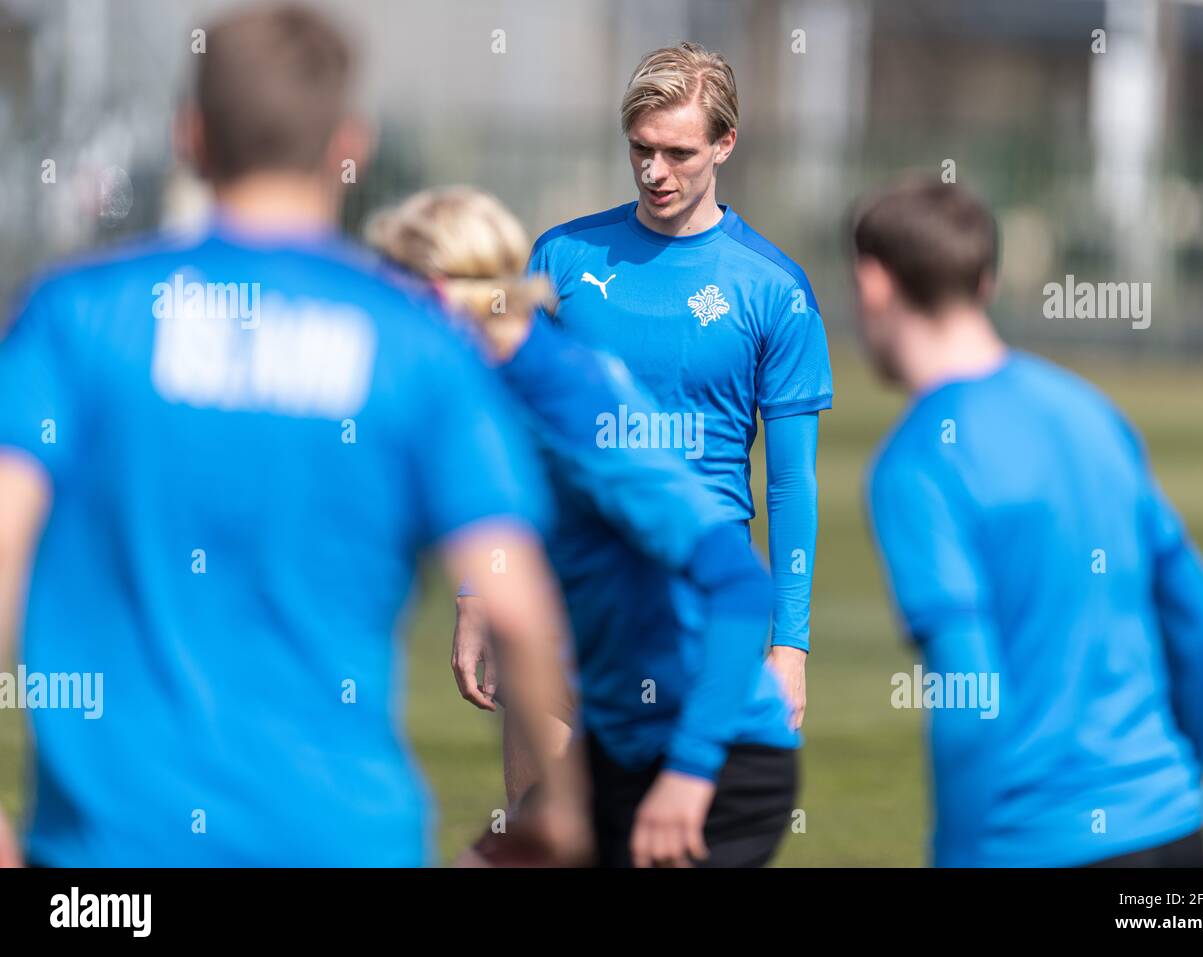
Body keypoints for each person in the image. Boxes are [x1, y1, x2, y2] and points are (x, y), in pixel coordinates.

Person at [0, 3, 585, 867]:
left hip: (111, 860)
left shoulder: (75, 316)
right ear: (351, 142)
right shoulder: (416, 344)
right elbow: (518, 606)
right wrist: (559, 812)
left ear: (189, 136)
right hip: (342, 838)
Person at [368, 187, 800, 867]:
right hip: (621, 742)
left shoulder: (575, 412)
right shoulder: (499, 387)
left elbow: (740, 585)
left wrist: (690, 774)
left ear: (444, 297)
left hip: (716, 763)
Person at [454, 42, 833, 802]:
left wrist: (789, 645)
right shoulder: (559, 260)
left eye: (679, 152)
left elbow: (791, 482)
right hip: (564, 602)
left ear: (725, 144)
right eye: (641, 149)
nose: (656, 170)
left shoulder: (776, 290)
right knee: (547, 839)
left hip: (695, 611)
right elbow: (501, 433)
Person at [849, 178, 1203, 867]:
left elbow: (971, 691)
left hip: (1035, 844)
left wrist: (960, 853)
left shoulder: (915, 464)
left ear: (875, 283)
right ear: (987, 280)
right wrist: (1166, 783)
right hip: (1175, 832)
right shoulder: (1089, 411)